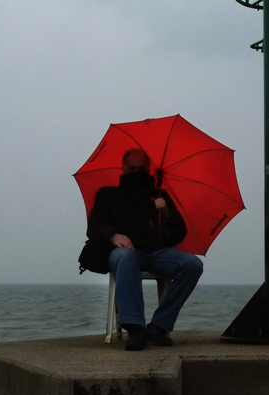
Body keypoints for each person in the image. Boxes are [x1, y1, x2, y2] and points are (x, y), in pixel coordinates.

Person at [86, 148, 204, 350]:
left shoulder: (159, 195)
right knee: (124, 257)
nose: (137, 172)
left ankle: (159, 326)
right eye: (132, 168)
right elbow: (94, 226)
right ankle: (135, 329)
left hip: (157, 252)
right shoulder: (107, 194)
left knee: (193, 264)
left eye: (141, 168)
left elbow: (179, 234)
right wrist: (113, 235)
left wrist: (166, 213)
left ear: (149, 169)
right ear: (123, 168)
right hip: (126, 251)